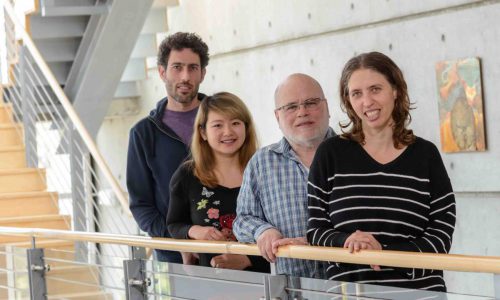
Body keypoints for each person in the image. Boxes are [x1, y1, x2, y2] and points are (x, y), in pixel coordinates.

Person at [307, 51, 456, 291]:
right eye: (357, 93)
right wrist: (347, 241)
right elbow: (315, 231)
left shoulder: (426, 155)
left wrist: (383, 253)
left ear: (395, 91)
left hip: (419, 295)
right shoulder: (330, 154)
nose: (367, 102)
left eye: (375, 89)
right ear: (348, 100)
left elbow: (440, 237)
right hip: (350, 294)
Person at [233, 73, 335, 278]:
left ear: (326, 107)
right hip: (290, 289)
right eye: (291, 107)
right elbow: (242, 219)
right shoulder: (262, 163)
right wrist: (262, 231)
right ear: (277, 117)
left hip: (351, 288)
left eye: (311, 102)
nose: (302, 112)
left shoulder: (354, 155)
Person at [127, 32, 209, 263]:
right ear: (162, 72)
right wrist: (178, 239)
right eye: (177, 67)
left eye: (193, 68)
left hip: (229, 251)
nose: (185, 76)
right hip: (175, 258)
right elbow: (141, 205)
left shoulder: (224, 122)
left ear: (202, 73)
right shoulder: (143, 134)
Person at [166, 92, 269, 272]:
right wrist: (195, 231)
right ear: (203, 132)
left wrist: (249, 259)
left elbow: (284, 232)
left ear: (246, 127)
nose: (228, 132)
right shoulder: (187, 175)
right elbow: (174, 225)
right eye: (218, 125)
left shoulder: (265, 171)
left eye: (235, 123)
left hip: (265, 284)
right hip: (208, 284)